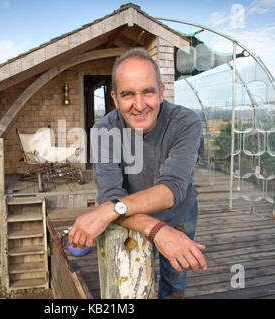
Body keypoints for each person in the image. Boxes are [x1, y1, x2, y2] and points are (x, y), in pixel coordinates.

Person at [68, 47, 207, 299]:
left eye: (148, 92)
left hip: (180, 213)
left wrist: (109, 210)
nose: (139, 105)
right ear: (115, 98)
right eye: (128, 94)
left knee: (174, 282)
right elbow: (111, 194)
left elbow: (171, 190)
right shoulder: (103, 131)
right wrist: (157, 230)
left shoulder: (187, 123)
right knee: (132, 281)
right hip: (131, 219)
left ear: (162, 92)